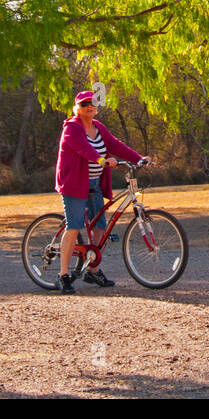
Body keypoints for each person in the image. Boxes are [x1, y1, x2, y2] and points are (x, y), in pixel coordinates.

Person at [54, 91, 151, 294]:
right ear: (77, 108)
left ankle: (92, 269)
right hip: (74, 185)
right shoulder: (72, 127)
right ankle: (62, 275)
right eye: (84, 104)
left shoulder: (99, 128)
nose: (89, 107)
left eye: (92, 104)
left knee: (100, 227)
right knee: (74, 227)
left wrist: (139, 158)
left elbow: (116, 145)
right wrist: (101, 160)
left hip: (94, 184)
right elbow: (83, 149)